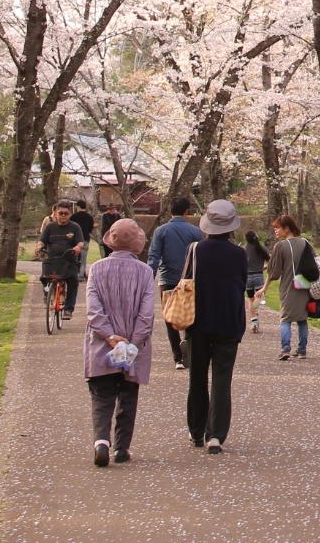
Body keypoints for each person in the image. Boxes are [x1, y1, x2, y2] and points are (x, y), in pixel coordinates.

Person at [85, 217, 155, 468]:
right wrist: (132, 342)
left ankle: (101, 441)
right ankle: (122, 448)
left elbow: (93, 310)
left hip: (102, 345)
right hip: (133, 345)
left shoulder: (97, 269)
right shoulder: (145, 272)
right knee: (127, 395)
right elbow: (146, 314)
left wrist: (111, 337)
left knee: (102, 396)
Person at [184, 199, 248, 454]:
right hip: (229, 321)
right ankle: (216, 436)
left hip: (198, 320)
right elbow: (242, 283)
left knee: (197, 376)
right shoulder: (240, 253)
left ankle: (197, 430)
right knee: (222, 378)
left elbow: (185, 281)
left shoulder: (195, 250)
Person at [146, 196, 204, 370]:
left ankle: (177, 357)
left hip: (167, 279)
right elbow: (201, 256)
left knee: (170, 317)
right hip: (190, 280)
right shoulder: (195, 231)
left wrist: (149, 278)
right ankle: (190, 349)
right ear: (187, 211)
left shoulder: (161, 231)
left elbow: (154, 256)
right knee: (191, 315)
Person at [265, 214, 314, 359]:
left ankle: (285, 348)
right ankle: (302, 350)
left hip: (288, 287)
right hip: (304, 286)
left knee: (285, 319)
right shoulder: (305, 243)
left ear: (286, 228)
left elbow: (274, 272)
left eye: (278, 228)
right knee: (302, 319)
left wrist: (265, 287)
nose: (276, 231)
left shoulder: (280, 246)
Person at [39, 200, 85, 318]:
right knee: (44, 278)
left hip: (69, 260)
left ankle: (68, 309)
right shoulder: (50, 227)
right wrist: (39, 246)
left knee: (73, 281)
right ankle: (48, 293)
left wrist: (76, 248)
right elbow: (42, 240)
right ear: (56, 214)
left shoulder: (75, 227)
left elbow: (81, 243)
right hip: (52, 260)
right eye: (61, 213)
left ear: (70, 214)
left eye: (66, 213)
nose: (63, 215)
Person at [243, 230, 271, 335]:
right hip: (259, 276)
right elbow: (271, 262)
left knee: (250, 300)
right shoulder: (261, 248)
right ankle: (256, 314)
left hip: (247, 278)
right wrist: (262, 268)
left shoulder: (243, 249)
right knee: (257, 299)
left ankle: (254, 321)